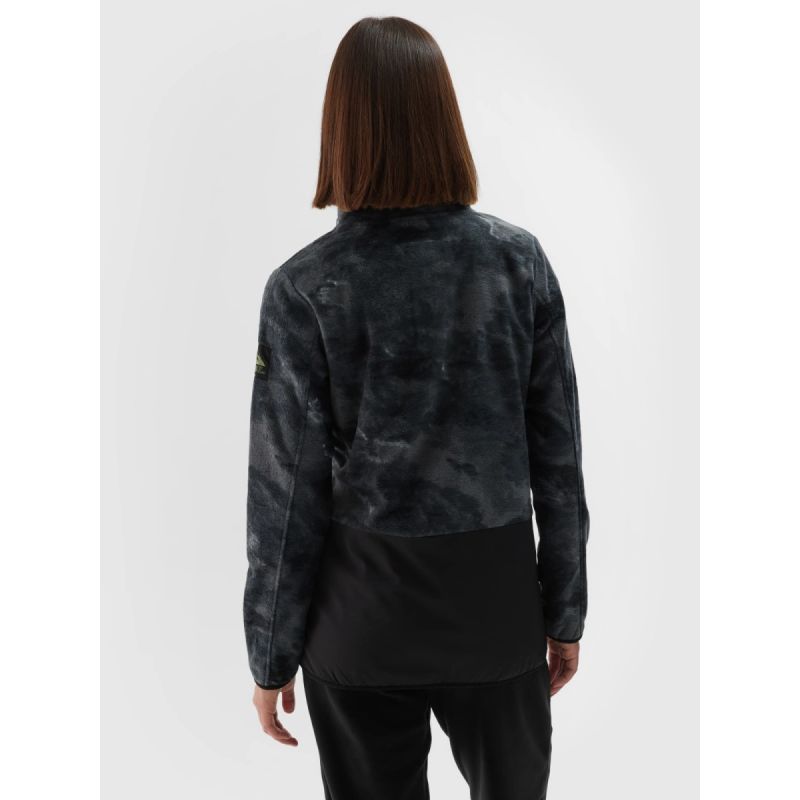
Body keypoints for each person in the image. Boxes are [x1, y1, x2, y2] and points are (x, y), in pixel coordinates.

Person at [243, 16, 590, 800]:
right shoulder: (518, 264)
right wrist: (565, 613)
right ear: (444, 120)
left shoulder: (303, 288)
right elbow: (558, 460)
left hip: (361, 620)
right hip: (494, 615)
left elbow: (284, 496)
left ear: (340, 129)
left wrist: (269, 653)